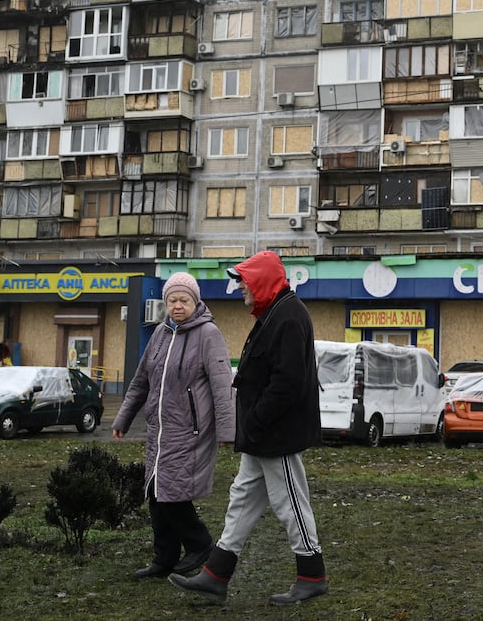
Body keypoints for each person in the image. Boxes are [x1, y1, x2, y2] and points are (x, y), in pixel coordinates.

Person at [169, 251, 327, 606]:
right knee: (241, 499)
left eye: (245, 281)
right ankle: (215, 576)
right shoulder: (276, 313)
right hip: (263, 434)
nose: (240, 287)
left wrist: (255, 420)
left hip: (276, 434)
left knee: (291, 503)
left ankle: (312, 576)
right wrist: (252, 424)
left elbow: (286, 382)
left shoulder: (288, 316)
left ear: (262, 282)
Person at [112, 272, 236, 580]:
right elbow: (141, 380)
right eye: (172, 300)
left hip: (190, 429)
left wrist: (227, 431)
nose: (177, 306)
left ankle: (200, 543)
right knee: (156, 492)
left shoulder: (208, 334)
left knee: (173, 492)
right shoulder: (160, 333)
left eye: (183, 300)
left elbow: (223, 385)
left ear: (195, 302)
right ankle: (164, 559)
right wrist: (123, 418)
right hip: (159, 429)